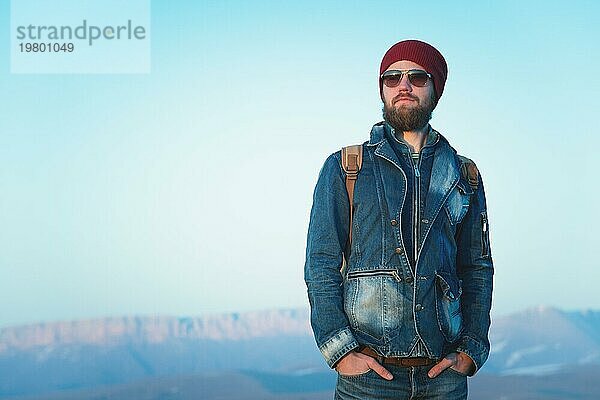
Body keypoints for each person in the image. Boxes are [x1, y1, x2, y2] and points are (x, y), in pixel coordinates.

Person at [304, 39, 494, 399]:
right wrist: (340, 351)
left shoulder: (464, 175)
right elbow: (321, 263)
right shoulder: (346, 167)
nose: (403, 85)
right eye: (392, 78)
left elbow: (477, 267)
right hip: (369, 376)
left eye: (417, 77)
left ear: (435, 90)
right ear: (382, 90)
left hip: (444, 376)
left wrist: (471, 350)